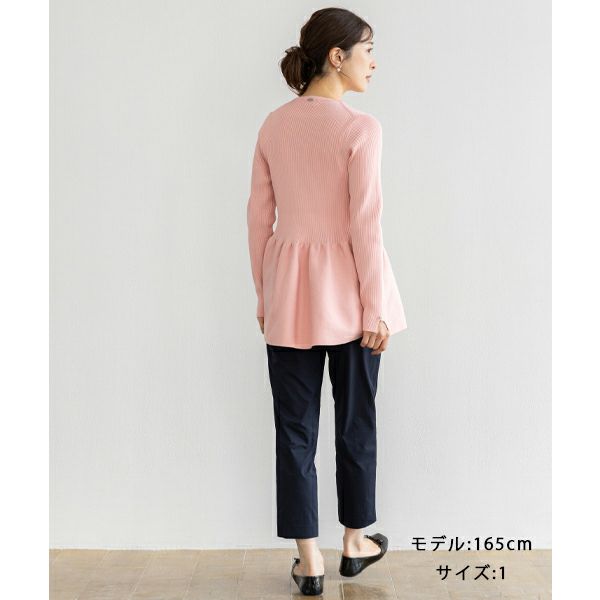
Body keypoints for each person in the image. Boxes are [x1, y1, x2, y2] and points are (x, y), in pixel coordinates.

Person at [246, 7, 407, 595]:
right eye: (368, 49)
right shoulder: (361, 129)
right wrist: (376, 307)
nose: (374, 62)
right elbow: (365, 224)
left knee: (294, 430)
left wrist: (265, 296)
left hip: (289, 295)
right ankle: (355, 541)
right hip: (353, 297)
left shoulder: (273, 125)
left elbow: (258, 220)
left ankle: (308, 559)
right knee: (355, 422)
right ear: (337, 57)